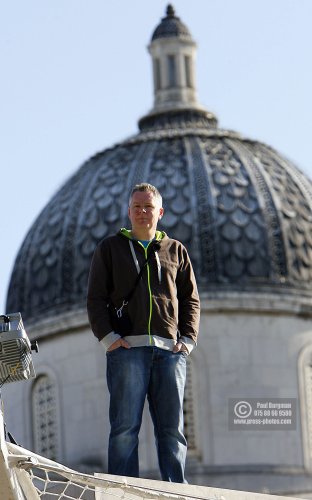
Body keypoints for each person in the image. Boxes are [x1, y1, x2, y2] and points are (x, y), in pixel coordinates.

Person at [87, 183, 200, 483]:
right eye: (136, 207)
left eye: (148, 207)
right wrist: (110, 340)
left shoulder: (176, 250)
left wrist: (186, 341)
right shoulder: (109, 249)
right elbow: (95, 298)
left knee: (172, 430)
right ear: (128, 211)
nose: (141, 212)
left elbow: (191, 299)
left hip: (169, 352)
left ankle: (178, 487)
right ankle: (123, 488)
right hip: (127, 351)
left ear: (159, 212)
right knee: (125, 429)